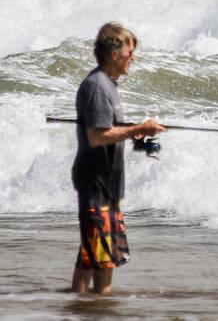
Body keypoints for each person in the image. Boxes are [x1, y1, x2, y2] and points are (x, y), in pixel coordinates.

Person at [70, 22, 166, 294]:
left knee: (92, 257)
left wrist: (135, 136)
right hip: (95, 183)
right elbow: (97, 137)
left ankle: (80, 305)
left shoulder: (107, 84)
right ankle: (101, 308)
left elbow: (109, 130)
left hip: (106, 184)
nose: (133, 57)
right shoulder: (98, 86)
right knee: (99, 258)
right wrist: (139, 129)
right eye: (130, 51)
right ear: (115, 53)